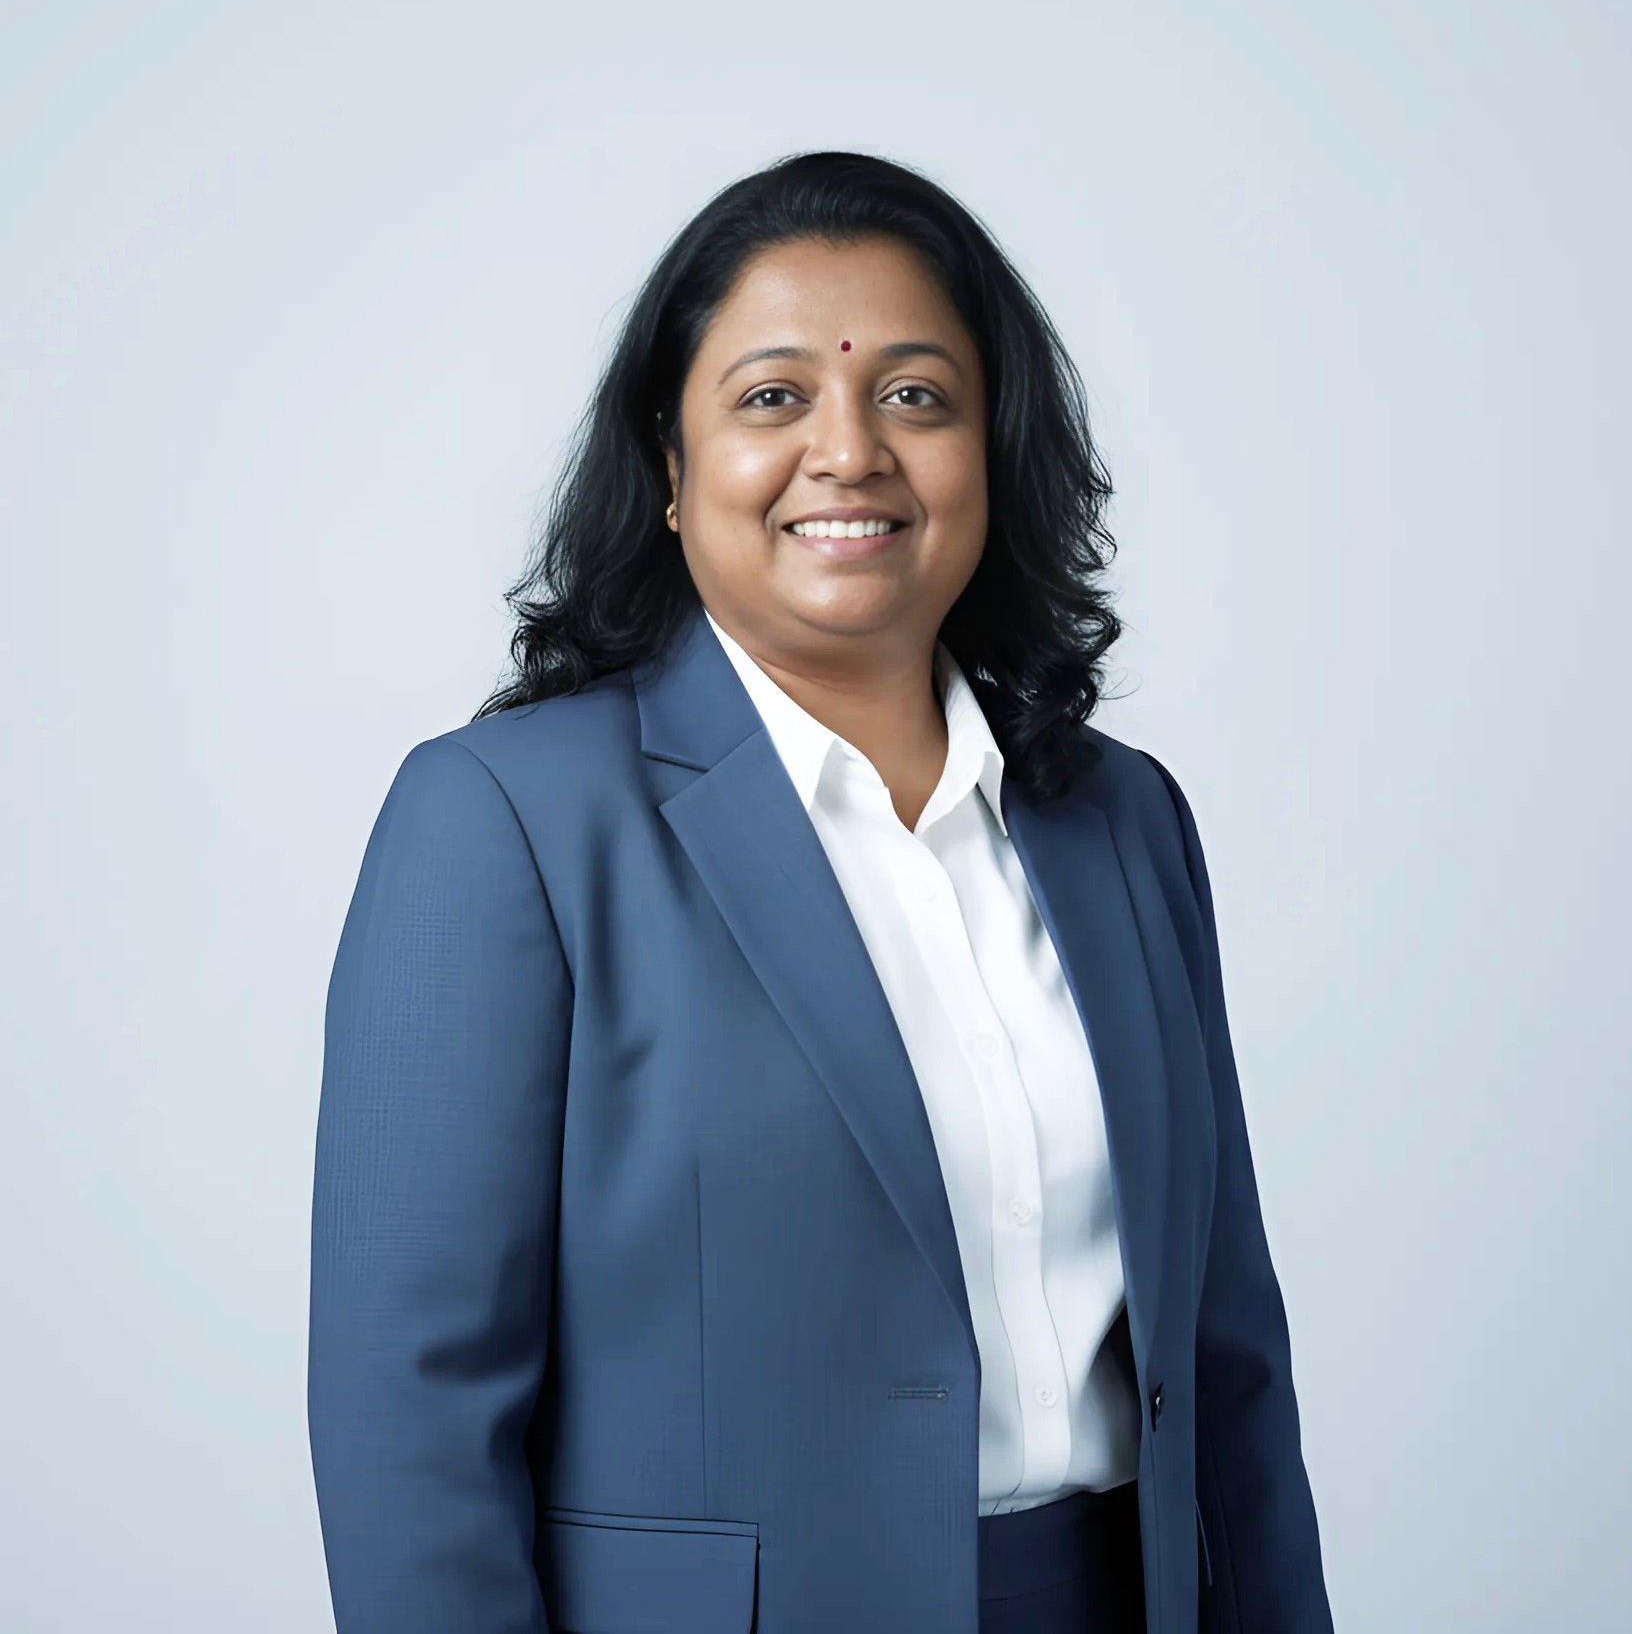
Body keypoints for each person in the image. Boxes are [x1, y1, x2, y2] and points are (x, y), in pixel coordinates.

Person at [307, 149, 1334, 1634]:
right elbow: (408, 1416)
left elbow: (1228, 1355)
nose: (849, 452)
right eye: (773, 397)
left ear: (995, 452)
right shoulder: (507, 821)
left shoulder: (1121, 821)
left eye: (915, 395)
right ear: (670, 470)